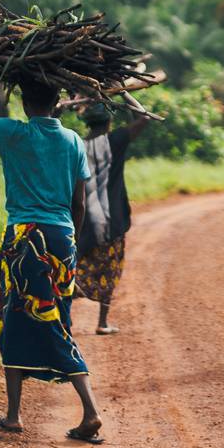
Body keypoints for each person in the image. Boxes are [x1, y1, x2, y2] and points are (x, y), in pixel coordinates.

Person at [0, 36, 104, 444]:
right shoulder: (74, 141)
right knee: (37, 320)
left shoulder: (14, 134)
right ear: (57, 101)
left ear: (25, 102)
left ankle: (90, 412)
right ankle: (12, 414)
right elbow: (79, 202)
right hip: (61, 239)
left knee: (31, 321)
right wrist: (69, 243)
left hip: (25, 240)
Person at [74, 104, 149, 335]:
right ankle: (102, 322)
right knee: (110, 267)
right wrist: (124, 95)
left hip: (83, 219)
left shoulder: (76, 144)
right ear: (108, 123)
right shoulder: (115, 140)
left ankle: (64, 319)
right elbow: (143, 118)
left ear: (87, 124)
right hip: (111, 219)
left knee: (77, 266)